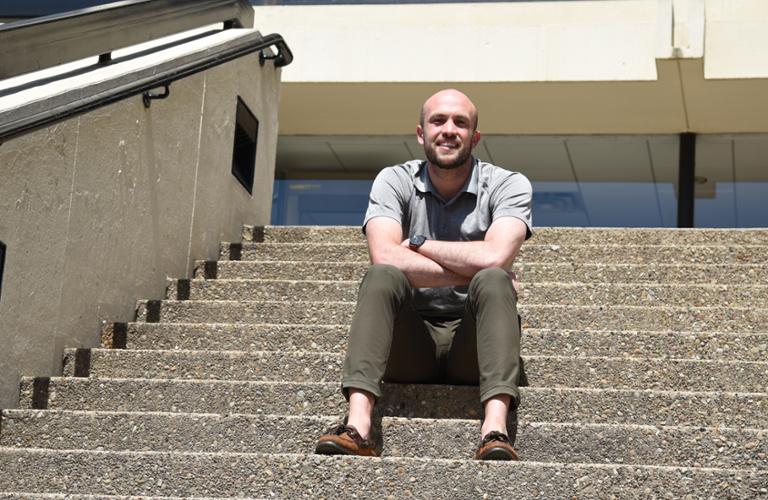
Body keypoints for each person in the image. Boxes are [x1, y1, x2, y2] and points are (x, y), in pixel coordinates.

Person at [315, 89, 533, 460]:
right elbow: (383, 254)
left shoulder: (508, 184)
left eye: (460, 122)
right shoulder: (393, 180)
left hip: (475, 342)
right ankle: (358, 427)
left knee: (493, 280)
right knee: (383, 276)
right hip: (408, 341)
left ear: (474, 138)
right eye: (438, 121)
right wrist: (469, 270)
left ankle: (495, 430)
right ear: (421, 133)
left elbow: (496, 257)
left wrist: (417, 243)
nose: (449, 130)